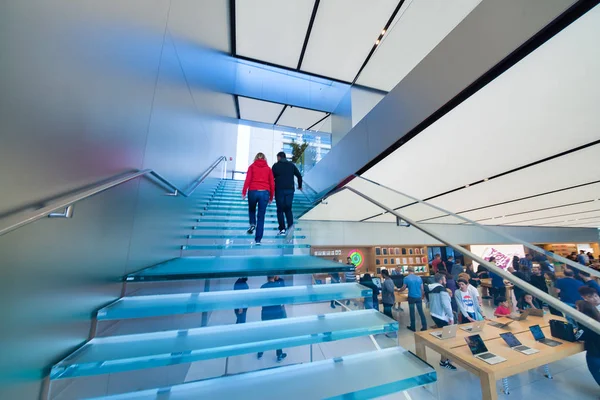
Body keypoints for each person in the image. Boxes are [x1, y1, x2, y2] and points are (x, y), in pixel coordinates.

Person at [242, 153, 274, 245]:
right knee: (261, 217)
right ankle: (258, 240)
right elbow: (272, 184)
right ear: (265, 158)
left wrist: (244, 192)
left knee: (251, 209)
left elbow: (247, 180)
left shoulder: (251, 167)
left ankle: (252, 223)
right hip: (264, 193)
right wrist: (271, 197)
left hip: (253, 191)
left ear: (255, 158)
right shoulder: (268, 169)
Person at [427, 273, 456, 370]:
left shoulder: (430, 288)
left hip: (435, 314)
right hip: (442, 316)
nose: (446, 281)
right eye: (444, 279)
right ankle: (444, 361)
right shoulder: (442, 290)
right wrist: (451, 317)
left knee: (444, 338)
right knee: (447, 339)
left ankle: (446, 357)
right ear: (441, 280)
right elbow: (446, 305)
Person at [271, 151, 302, 236]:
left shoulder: (276, 166)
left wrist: (271, 189)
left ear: (279, 157)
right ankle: (290, 228)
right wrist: (300, 186)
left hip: (279, 190)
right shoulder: (291, 165)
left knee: (280, 210)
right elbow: (299, 175)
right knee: (288, 209)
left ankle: (282, 229)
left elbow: (270, 178)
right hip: (289, 190)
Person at [257, 276, 287, 362]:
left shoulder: (262, 287)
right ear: (274, 277)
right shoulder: (279, 287)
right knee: (278, 334)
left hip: (266, 314)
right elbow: (282, 302)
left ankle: (260, 352)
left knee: (265, 334)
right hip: (277, 313)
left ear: (267, 277)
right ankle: (279, 355)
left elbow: (260, 301)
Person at [574, 300, 600, 386]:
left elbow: (577, 337)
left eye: (577, 308)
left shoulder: (588, 325)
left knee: (596, 372)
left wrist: (578, 325)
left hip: (595, 354)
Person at [400, 267, 427, 332]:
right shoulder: (419, 278)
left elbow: (403, 287)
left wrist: (399, 290)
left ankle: (413, 327)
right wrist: (422, 295)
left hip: (411, 297)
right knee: (421, 312)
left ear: (408, 271)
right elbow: (422, 288)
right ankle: (424, 326)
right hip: (418, 297)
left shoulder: (406, 278)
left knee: (412, 312)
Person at [381, 269, 397, 337]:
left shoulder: (387, 282)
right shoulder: (390, 280)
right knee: (388, 315)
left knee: (388, 316)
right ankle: (391, 330)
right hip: (390, 300)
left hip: (387, 300)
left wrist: (388, 294)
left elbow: (390, 289)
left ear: (384, 274)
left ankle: (392, 331)